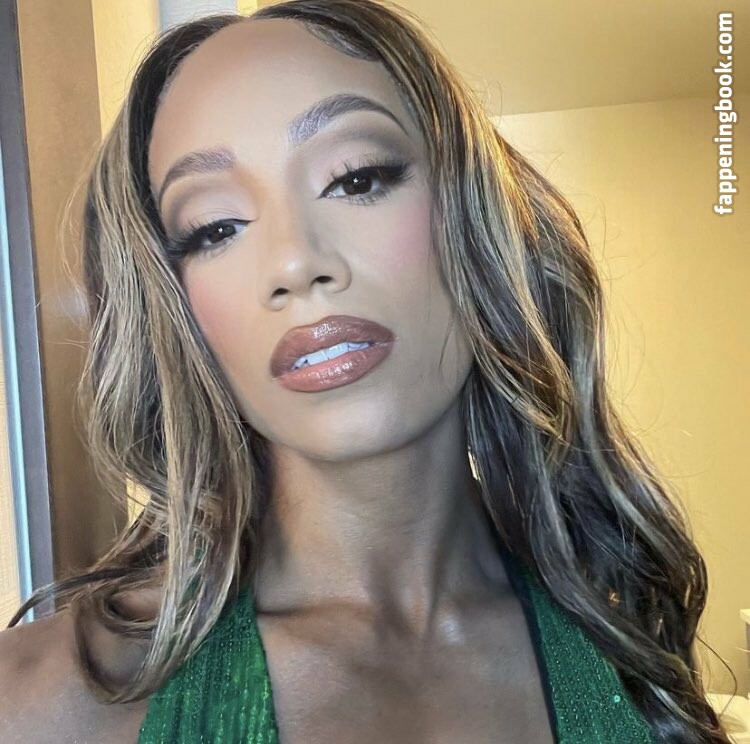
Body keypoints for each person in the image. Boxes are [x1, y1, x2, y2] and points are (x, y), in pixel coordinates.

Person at [0, 1, 732, 742]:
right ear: (177, 305)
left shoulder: (625, 644)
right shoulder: (42, 702)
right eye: (215, 228)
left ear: (474, 215)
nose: (295, 262)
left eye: (356, 179)